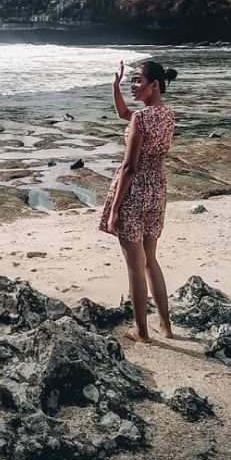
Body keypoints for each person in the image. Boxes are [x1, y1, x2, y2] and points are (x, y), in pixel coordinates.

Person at [99, 59, 178, 343]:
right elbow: (124, 114)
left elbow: (130, 167)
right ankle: (165, 327)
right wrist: (114, 86)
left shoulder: (141, 119)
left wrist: (115, 208)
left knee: (135, 265)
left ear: (154, 85)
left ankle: (142, 332)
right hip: (157, 189)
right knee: (150, 260)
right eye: (131, 81)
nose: (133, 85)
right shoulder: (166, 115)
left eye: (137, 81)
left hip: (135, 193)